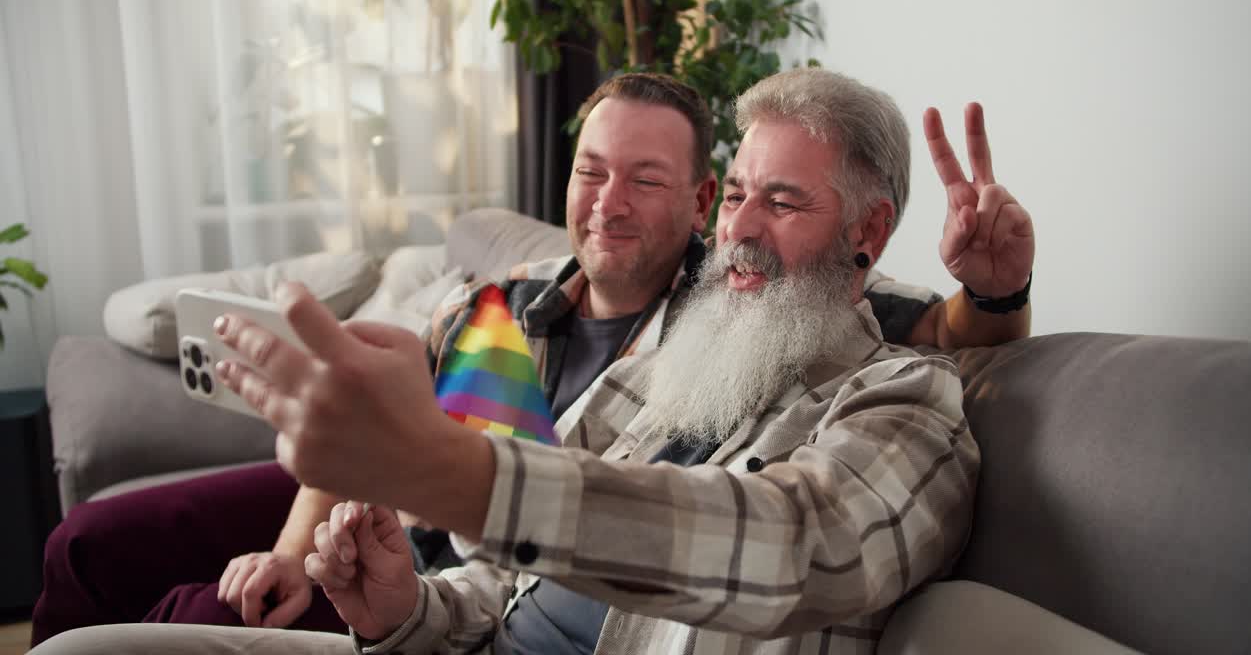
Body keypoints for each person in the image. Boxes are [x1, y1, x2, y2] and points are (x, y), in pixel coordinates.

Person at [30, 69, 1033, 646]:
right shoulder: (653, 358)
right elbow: (499, 590)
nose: (738, 230)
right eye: (736, 196)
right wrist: (397, 609)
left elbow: (800, 543)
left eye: (780, 202)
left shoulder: (903, 399)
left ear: (868, 232)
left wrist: (992, 296)